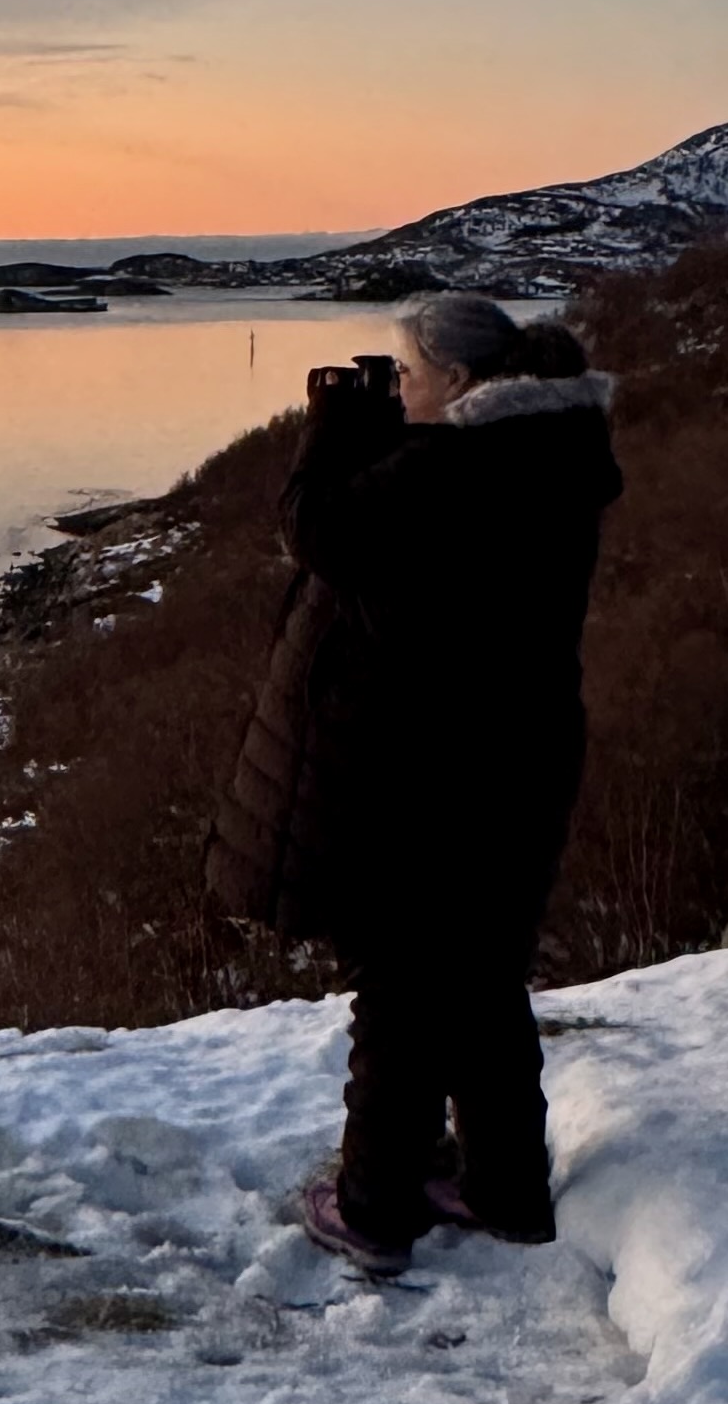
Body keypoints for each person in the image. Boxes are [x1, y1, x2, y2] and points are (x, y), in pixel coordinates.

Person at [207, 290, 621, 1276]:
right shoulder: (547, 453)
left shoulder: (455, 468)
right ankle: (504, 1188)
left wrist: (330, 426)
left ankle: (374, 1209)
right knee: (482, 978)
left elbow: (318, 528)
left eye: (409, 373)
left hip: (429, 768)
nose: (400, 389)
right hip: (520, 756)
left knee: (399, 986)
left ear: (459, 380)